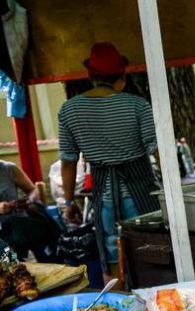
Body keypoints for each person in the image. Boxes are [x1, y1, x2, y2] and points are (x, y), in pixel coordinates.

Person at [58, 42, 160, 280]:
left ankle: (118, 299)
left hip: (102, 194)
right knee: (150, 247)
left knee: (111, 253)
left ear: (90, 75)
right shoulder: (137, 105)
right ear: (122, 76)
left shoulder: (69, 110)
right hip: (142, 192)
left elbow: (68, 161)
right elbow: (157, 151)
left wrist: (69, 201)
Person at [0, 160, 61, 262]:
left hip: (20, 224)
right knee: (12, 266)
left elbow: (33, 190)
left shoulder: (8, 168)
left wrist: (28, 200)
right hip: (3, 237)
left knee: (51, 258)